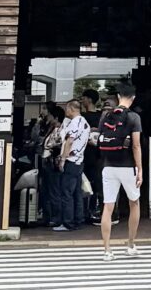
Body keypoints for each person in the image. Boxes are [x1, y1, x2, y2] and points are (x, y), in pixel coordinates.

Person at [96, 82, 145, 258]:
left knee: (108, 206)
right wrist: (140, 169)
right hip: (127, 166)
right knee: (134, 203)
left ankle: (107, 250)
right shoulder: (134, 118)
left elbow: (98, 139)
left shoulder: (106, 116)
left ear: (118, 97)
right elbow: (136, 146)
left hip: (108, 166)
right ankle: (130, 245)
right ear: (133, 98)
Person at [59, 98, 91, 232]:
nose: (66, 111)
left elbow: (69, 141)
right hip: (80, 160)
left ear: (72, 109)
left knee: (67, 193)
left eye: (67, 108)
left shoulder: (74, 123)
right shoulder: (85, 123)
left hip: (71, 161)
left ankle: (68, 222)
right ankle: (78, 219)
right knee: (77, 192)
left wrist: (62, 159)